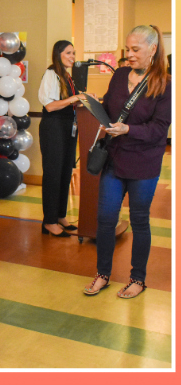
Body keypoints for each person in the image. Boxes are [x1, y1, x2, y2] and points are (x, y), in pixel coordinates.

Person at [84, 25, 171, 298]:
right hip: (115, 158)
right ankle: (102, 274)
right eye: (127, 49)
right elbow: (110, 106)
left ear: (153, 50)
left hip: (144, 163)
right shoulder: (120, 74)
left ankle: (138, 278)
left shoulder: (166, 84)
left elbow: (160, 128)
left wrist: (128, 129)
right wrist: (94, 107)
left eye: (135, 50)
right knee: (105, 218)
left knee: (139, 220)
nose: (129, 55)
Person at [38, 40, 88, 237]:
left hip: (68, 127)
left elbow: (69, 103)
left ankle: (60, 215)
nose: (72, 57)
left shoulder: (67, 76)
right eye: (68, 53)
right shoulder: (51, 74)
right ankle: (49, 221)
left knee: (66, 172)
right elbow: (50, 106)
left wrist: (84, 100)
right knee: (53, 173)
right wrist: (75, 99)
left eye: (74, 53)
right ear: (58, 54)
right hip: (53, 127)